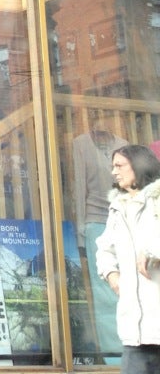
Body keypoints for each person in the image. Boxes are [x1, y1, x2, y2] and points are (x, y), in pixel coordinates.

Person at [95, 145, 160, 374]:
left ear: (139, 165)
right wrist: (112, 275)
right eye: (113, 166)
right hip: (135, 332)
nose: (114, 172)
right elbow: (104, 248)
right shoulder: (117, 208)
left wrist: (152, 251)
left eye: (119, 165)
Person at [73, 113, 128, 360]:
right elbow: (79, 188)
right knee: (105, 292)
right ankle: (114, 356)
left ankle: (136, 350)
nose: (101, 119)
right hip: (95, 221)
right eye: (95, 114)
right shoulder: (81, 144)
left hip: (124, 222)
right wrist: (80, 233)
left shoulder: (124, 146)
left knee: (132, 286)